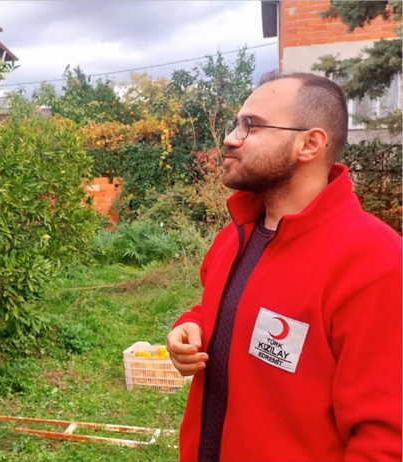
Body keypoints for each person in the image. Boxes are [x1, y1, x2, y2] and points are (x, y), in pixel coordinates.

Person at [165, 72, 402, 462]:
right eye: (236, 123)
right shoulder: (234, 236)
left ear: (309, 144)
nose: (230, 138)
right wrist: (192, 327)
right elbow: (220, 310)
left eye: (251, 126)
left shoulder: (376, 263)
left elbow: (387, 439)